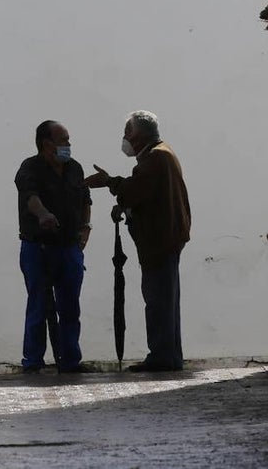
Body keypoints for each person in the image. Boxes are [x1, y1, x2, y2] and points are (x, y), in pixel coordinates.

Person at [85, 110, 190, 372]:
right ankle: (169, 355)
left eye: (128, 132)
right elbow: (144, 194)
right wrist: (125, 206)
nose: (125, 137)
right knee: (165, 301)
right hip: (165, 238)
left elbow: (135, 190)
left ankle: (162, 357)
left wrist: (109, 182)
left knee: (158, 302)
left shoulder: (156, 158)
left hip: (159, 240)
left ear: (140, 135)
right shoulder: (159, 155)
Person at [14, 120, 93, 373]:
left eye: (68, 140)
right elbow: (30, 198)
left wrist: (85, 228)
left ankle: (70, 360)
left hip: (69, 248)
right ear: (47, 144)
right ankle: (33, 362)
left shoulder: (74, 168)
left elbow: (85, 200)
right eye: (63, 140)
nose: (68, 145)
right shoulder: (30, 168)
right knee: (38, 304)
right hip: (38, 248)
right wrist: (43, 215)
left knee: (70, 306)